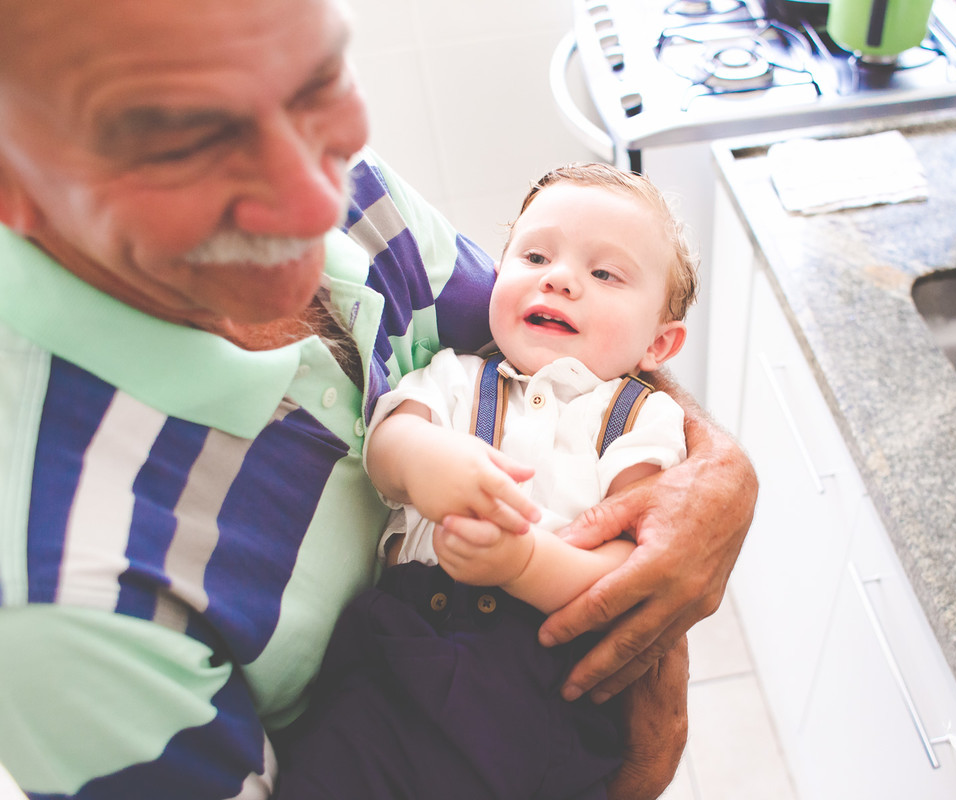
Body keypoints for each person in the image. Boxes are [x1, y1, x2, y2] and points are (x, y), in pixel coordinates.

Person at [0, 0, 757, 798]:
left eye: (316, 79)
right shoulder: (63, 604)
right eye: (187, 144)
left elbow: (562, 355)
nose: (314, 203)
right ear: (17, 180)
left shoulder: (342, 173)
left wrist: (721, 472)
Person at [277, 163, 697, 799]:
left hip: (536, 684)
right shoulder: (453, 375)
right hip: (396, 649)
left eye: (604, 273)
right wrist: (425, 462)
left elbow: (631, 563)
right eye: (534, 255)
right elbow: (389, 443)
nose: (558, 277)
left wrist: (524, 562)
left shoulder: (640, 418)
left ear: (659, 346)